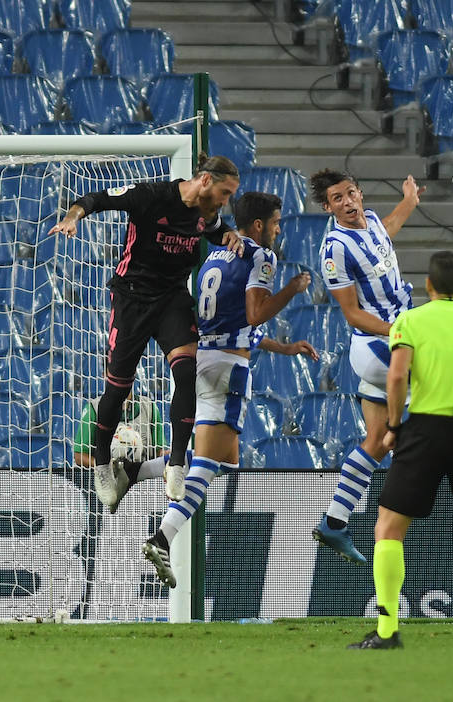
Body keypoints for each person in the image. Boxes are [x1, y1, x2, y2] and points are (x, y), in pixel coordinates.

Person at [140, 191, 318, 586]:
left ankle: (138, 470)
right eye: (275, 222)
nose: (278, 230)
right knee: (207, 463)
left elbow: (237, 321)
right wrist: (292, 288)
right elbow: (255, 313)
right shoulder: (261, 256)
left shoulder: (214, 256)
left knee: (225, 461)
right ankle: (162, 537)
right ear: (258, 225)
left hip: (201, 361)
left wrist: (284, 347)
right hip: (228, 371)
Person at [348, 252, 453, 650]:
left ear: (427, 286)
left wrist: (393, 427)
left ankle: (388, 631)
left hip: (425, 427)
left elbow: (396, 375)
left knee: (389, 527)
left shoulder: (410, 321)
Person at [49, 156, 243, 509]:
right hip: (132, 299)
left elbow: (213, 229)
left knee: (186, 372)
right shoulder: (151, 195)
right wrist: (71, 218)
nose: (225, 201)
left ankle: (177, 463)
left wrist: (226, 233)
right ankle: (104, 465)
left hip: (172, 300)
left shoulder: (208, 213)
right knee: (118, 389)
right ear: (204, 181)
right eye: (224, 192)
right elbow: (96, 199)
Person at [307, 169, 421, 564]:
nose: (349, 202)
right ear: (328, 207)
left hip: (390, 340)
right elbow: (352, 314)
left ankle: (334, 523)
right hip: (377, 346)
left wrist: (409, 201)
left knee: (376, 441)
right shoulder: (333, 249)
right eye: (338, 198)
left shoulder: (370, 219)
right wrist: (398, 331)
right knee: (444, 377)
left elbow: (386, 230)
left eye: (351, 193)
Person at [72, 389, 169, 514]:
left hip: (142, 490)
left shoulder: (149, 407)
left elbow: (158, 451)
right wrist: (106, 466)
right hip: (104, 488)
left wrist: (166, 457)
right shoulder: (94, 407)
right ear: (105, 375)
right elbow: (79, 456)